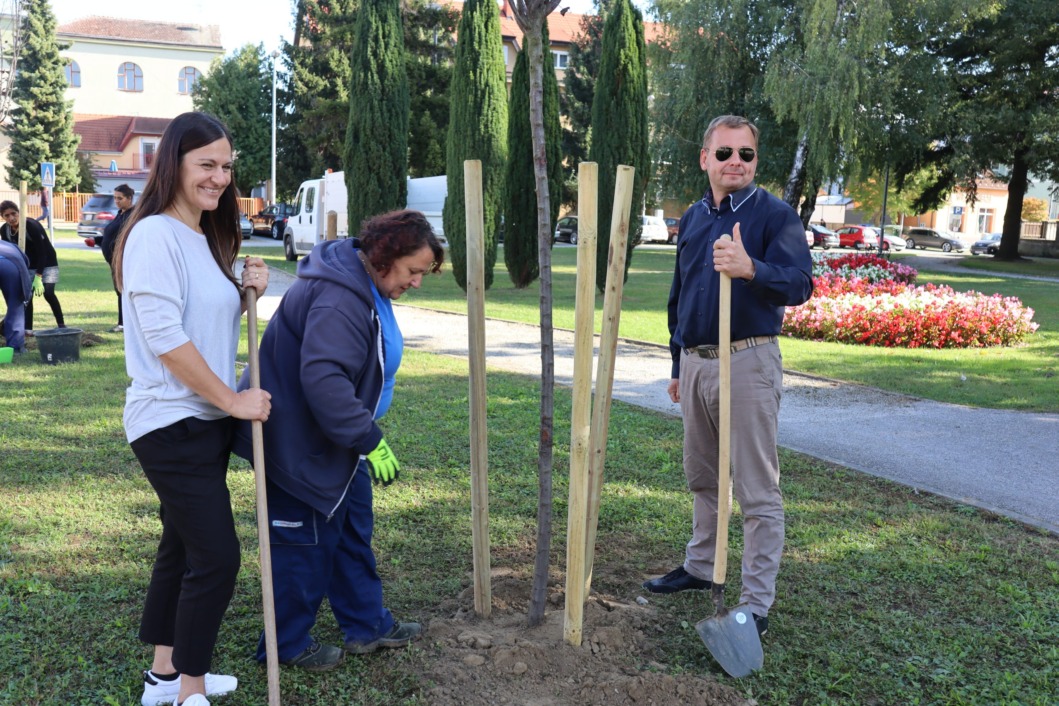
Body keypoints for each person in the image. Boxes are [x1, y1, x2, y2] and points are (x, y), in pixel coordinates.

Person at [231, 209, 443, 672]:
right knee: (301, 547)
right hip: (297, 445)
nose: (417, 283)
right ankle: (285, 644)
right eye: (413, 272)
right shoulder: (339, 298)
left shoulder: (363, 282)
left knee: (350, 532)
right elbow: (325, 381)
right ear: (386, 257)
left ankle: (366, 624)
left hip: (336, 444)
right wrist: (369, 438)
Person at [112, 112, 272, 706]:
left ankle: (163, 678)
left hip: (201, 421)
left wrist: (244, 283)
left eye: (226, 166)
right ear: (173, 164)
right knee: (217, 557)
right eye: (206, 164)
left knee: (180, 548)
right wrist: (233, 399)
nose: (219, 177)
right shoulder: (152, 233)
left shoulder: (202, 237)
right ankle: (190, 692)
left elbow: (202, 317)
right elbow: (164, 338)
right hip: (169, 420)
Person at [643, 115, 813, 638]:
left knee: (757, 490)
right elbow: (681, 294)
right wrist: (678, 364)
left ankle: (755, 603)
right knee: (703, 476)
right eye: (724, 154)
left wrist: (750, 268)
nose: (735, 162)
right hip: (696, 362)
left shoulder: (774, 216)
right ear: (705, 159)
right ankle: (700, 565)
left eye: (745, 154)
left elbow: (802, 284)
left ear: (755, 161)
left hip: (747, 360)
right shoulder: (693, 217)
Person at [0, 200, 65, 334]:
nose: (11, 218)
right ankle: (27, 329)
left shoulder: (31, 225)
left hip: (47, 263)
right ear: (2, 217)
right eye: (7, 216)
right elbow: (9, 252)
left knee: (48, 293)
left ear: (19, 212)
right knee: (26, 297)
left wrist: (38, 276)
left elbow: (43, 252)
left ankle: (62, 325)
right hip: (26, 265)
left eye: (14, 213)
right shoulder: (4, 230)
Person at [101, 184, 135, 332]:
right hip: (113, 260)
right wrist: (97, 241)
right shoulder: (120, 213)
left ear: (129, 198)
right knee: (119, 291)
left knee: (123, 290)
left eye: (120, 198)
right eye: (115, 198)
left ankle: (124, 324)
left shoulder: (133, 215)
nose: (116, 201)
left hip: (123, 260)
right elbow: (112, 234)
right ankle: (122, 322)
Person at [0, 238, 32, 353]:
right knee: (16, 307)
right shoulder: (13, 248)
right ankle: (16, 347)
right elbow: (26, 264)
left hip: (9, 264)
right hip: (12, 267)